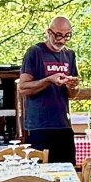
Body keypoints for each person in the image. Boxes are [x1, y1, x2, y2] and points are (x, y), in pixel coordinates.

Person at [16, 16, 80, 164]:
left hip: (63, 125)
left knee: (67, 172)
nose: (62, 40)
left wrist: (73, 86)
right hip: (40, 126)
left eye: (67, 36)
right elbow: (23, 88)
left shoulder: (69, 55)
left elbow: (73, 94)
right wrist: (49, 80)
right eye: (58, 35)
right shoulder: (35, 52)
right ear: (48, 32)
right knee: (40, 175)